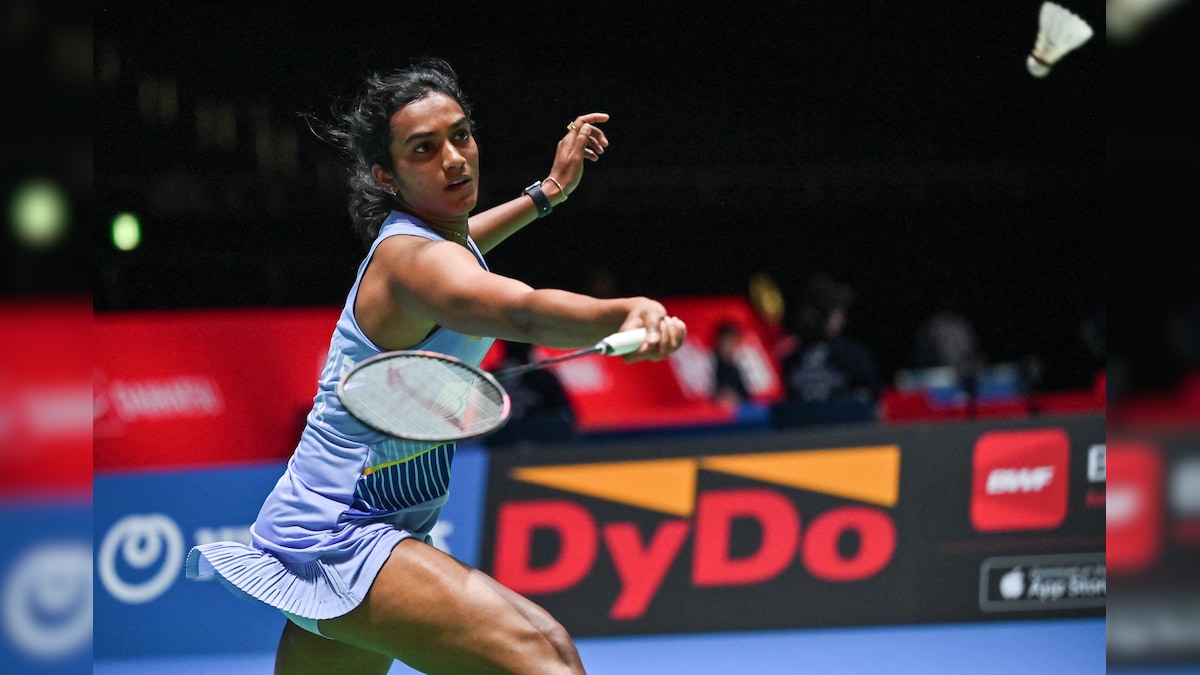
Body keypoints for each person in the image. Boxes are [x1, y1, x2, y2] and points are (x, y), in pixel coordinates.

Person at [185, 58, 687, 675]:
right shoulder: (413, 264)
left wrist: (548, 192)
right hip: (339, 530)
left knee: (546, 651)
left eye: (461, 135)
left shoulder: (436, 241)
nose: (454, 159)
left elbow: (466, 240)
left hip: (376, 519)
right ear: (387, 176)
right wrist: (625, 312)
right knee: (542, 656)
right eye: (424, 149)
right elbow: (524, 313)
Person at [779, 273, 881, 408]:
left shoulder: (786, 356)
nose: (841, 317)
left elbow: (871, 401)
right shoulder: (854, 357)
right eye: (837, 311)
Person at [710, 321, 751, 406]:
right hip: (714, 411)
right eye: (727, 341)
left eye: (733, 342)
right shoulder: (711, 364)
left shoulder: (735, 368)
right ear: (719, 341)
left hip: (737, 410)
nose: (730, 346)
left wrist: (737, 398)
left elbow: (746, 396)